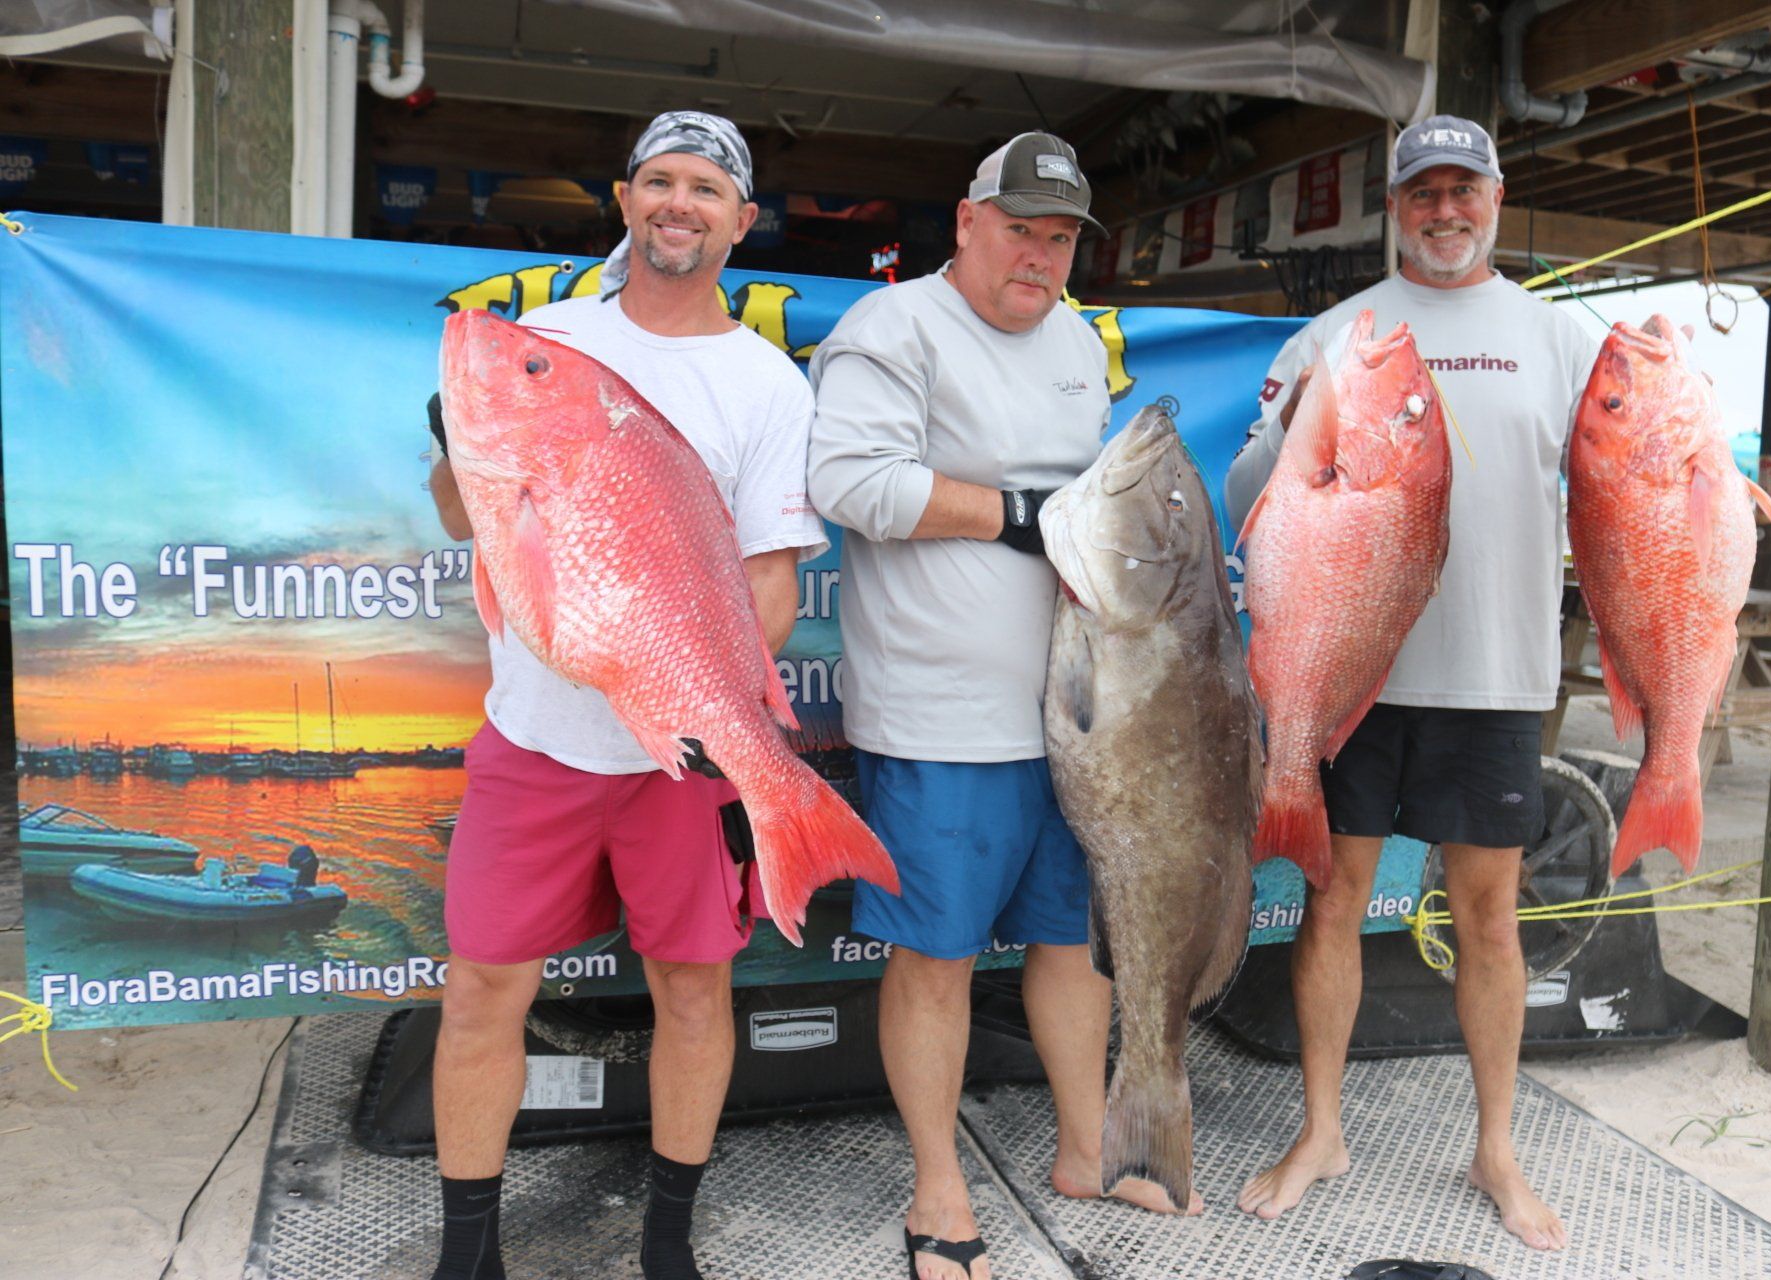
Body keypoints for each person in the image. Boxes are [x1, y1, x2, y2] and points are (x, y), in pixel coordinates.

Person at [425, 110, 826, 1280]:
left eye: (706, 186)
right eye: (660, 180)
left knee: (694, 991)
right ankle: (467, 1254)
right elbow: (466, 513)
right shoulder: (545, 340)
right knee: (483, 986)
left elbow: (769, 582)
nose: (679, 203)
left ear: (741, 220)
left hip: (677, 758)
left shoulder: (765, 384)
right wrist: (459, 441)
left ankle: (666, 1243)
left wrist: (708, 710)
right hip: (534, 737)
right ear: (624, 197)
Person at [808, 131, 1188, 1280]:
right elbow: (846, 480)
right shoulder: (891, 329)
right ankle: (938, 1186)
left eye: (1061, 234)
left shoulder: (1076, 340)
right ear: (966, 220)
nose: (1040, 253)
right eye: (1020, 226)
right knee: (937, 956)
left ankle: (1087, 1147)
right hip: (939, 721)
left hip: (1080, 722)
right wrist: (1019, 516)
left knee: (1073, 945)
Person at [1224, 114, 1598, 1252]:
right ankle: (1322, 1128)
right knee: (1331, 900)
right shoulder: (1337, 334)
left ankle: (1496, 1145)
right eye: (1424, 192)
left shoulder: (1560, 338)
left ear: (1496, 196)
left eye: (1464, 190)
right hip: (1348, 676)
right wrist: (1288, 428)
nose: (1446, 211)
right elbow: (1250, 487)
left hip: (1494, 677)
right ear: (1396, 206)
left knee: (1488, 913)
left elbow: (1626, 499)